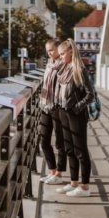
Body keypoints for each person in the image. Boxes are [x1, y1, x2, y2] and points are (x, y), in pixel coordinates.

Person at [54, 38, 95, 197]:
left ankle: (84, 187)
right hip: (63, 112)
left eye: (62, 54)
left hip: (76, 115)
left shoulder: (80, 70)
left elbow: (90, 94)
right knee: (69, 149)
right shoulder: (64, 68)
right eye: (60, 54)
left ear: (71, 52)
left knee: (80, 150)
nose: (60, 56)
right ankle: (73, 183)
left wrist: (77, 108)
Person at [38, 39, 66, 185]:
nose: (49, 53)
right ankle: (52, 171)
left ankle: (59, 174)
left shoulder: (64, 65)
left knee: (60, 142)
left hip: (57, 107)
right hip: (45, 106)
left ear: (58, 49)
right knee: (43, 140)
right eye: (47, 50)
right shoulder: (49, 64)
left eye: (51, 50)